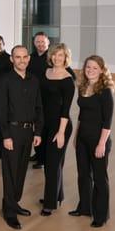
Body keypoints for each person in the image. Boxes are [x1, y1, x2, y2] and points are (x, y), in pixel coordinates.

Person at [0, 45, 43, 230]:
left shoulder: (34, 80)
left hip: (28, 132)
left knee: (22, 170)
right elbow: (0, 111)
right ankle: (9, 212)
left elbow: (39, 107)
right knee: (10, 172)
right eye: (17, 57)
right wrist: (5, 136)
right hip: (12, 133)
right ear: (12, 59)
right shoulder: (4, 81)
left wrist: (37, 131)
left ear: (28, 59)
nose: (21, 60)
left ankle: (13, 202)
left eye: (24, 57)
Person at [69, 55, 115, 228]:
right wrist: (76, 136)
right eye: (88, 67)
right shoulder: (83, 87)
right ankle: (84, 208)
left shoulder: (105, 91)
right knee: (83, 175)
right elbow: (81, 115)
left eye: (95, 68)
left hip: (98, 139)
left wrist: (102, 143)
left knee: (99, 178)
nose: (90, 70)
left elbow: (107, 121)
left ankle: (101, 215)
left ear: (102, 70)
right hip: (82, 138)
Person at [39, 44, 75, 216]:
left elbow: (65, 110)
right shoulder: (46, 73)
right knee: (50, 163)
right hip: (44, 124)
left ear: (65, 57)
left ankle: (50, 203)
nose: (57, 58)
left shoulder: (68, 79)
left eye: (61, 55)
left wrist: (60, 133)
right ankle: (57, 194)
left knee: (53, 164)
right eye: (54, 55)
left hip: (60, 126)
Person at [27, 32, 50, 169]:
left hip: (47, 98)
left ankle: (43, 158)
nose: (40, 44)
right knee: (35, 126)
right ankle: (37, 153)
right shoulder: (31, 57)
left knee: (44, 127)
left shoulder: (52, 58)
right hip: (33, 97)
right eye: (38, 42)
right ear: (34, 43)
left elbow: (69, 74)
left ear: (47, 42)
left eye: (43, 41)